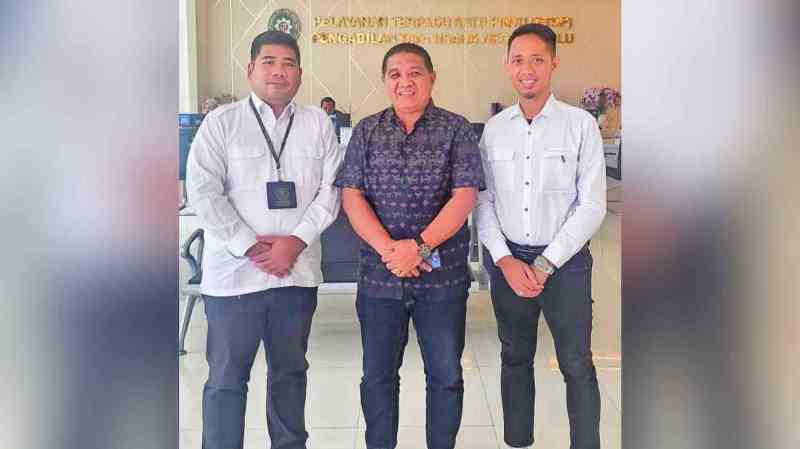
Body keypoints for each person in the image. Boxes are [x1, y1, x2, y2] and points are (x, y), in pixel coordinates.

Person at [186, 30, 343, 449]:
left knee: (290, 375)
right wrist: (251, 246)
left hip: (295, 275)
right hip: (234, 279)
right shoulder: (222, 122)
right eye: (269, 62)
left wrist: (295, 242)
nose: (279, 71)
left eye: (288, 63)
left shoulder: (317, 124)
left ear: (300, 74)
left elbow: (332, 190)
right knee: (226, 381)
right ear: (250, 69)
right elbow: (203, 191)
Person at [334, 43, 485, 449]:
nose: (405, 81)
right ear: (385, 81)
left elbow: (464, 197)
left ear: (432, 78)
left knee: (445, 376)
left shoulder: (456, 129)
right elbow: (352, 195)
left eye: (415, 72)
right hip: (380, 278)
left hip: (442, 279)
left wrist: (418, 247)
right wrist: (391, 250)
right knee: (377, 377)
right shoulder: (366, 131)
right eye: (395, 74)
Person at [474, 24, 607, 449]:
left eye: (536, 59)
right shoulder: (494, 129)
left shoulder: (580, 125)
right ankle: (517, 442)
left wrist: (547, 263)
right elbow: (483, 202)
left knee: (576, 363)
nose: (526, 69)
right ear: (507, 65)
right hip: (510, 263)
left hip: (565, 265)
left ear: (553, 63)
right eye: (518, 60)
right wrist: (504, 260)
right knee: (514, 359)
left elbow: (592, 205)